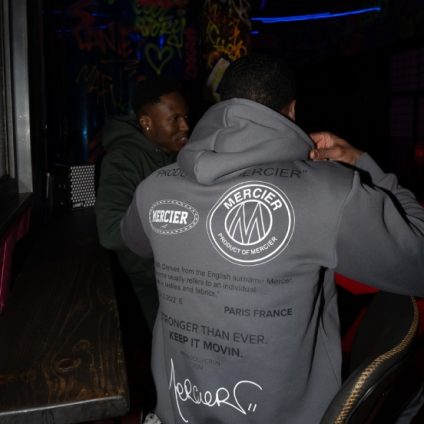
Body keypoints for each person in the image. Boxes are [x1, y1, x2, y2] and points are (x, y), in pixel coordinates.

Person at [120, 53, 424, 423]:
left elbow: (134, 242)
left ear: (221, 105)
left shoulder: (154, 187)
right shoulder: (331, 191)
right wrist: (363, 163)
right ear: (291, 111)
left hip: (176, 413)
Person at [95, 76, 190, 332]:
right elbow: (110, 232)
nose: (185, 126)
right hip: (149, 284)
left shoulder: (177, 154)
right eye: (174, 119)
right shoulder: (122, 160)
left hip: (182, 278)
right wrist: (176, 228)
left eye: (185, 117)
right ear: (147, 123)